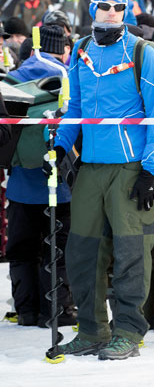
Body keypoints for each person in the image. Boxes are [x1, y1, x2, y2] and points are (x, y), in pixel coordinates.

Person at [53, 0, 154, 360]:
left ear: (126, 11)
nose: (111, 13)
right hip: (91, 167)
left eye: (118, 7)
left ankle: (129, 332)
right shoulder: (82, 50)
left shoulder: (141, 51)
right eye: (104, 5)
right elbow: (75, 107)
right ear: (92, 9)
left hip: (130, 168)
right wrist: (59, 146)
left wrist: (151, 169)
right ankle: (91, 330)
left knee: (132, 252)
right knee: (83, 251)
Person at [5, 26, 75, 329]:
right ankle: (56, 312)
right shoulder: (65, 77)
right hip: (57, 182)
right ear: (60, 48)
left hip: (19, 183)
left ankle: (27, 311)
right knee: (57, 248)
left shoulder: (14, 78)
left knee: (21, 251)